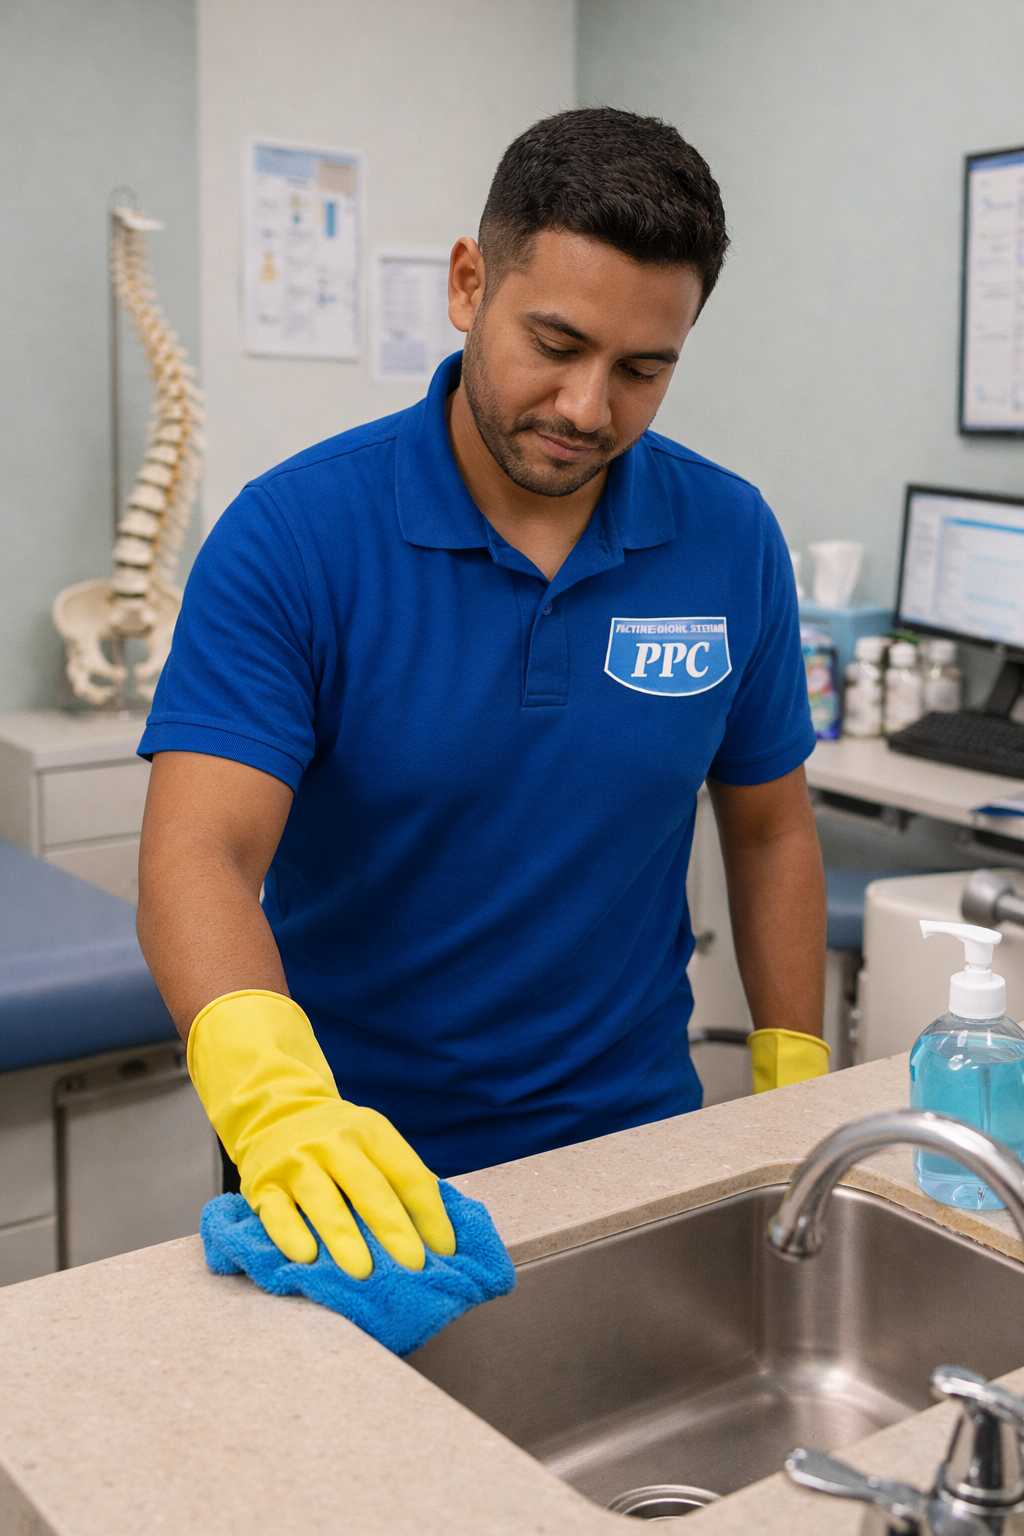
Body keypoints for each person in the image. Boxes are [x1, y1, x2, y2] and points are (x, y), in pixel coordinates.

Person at [137, 107, 828, 1283]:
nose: (585, 409)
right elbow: (196, 856)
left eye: (642, 368)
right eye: (553, 343)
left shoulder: (729, 536)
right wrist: (280, 1112)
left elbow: (768, 828)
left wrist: (793, 1081)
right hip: (357, 1170)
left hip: (643, 1150)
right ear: (469, 284)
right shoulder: (295, 537)